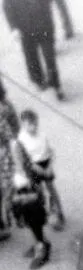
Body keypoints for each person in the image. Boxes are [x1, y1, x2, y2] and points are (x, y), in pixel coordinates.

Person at [3, 0, 64, 101]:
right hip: (25, 29)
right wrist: (13, 27)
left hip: (44, 25)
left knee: (49, 56)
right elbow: (7, 7)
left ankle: (56, 85)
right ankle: (38, 79)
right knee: (31, 56)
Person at [16, 108, 63, 230]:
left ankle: (59, 212)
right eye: (30, 124)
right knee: (40, 192)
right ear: (23, 124)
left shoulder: (42, 135)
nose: (33, 127)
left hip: (46, 164)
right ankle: (48, 215)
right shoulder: (21, 139)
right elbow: (24, 159)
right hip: (34, 168)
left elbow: (51, 152)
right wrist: (36, 168)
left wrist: (49, 166)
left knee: (52, 190)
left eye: (35, 124)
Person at [10, 171, 49, 268]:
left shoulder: (32, 188)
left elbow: (39, 196)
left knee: (36, 227)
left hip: (35, 214)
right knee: (33, 228)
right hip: (29, 214)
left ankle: (41, 249)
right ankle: (41, 244)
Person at [0, 81, 19, 241]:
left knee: (9, 188)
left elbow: (12, 133)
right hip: (5, 153)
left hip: (5, 154)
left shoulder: (4, 108)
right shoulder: (6, 106)